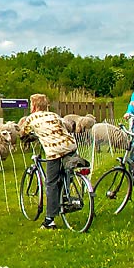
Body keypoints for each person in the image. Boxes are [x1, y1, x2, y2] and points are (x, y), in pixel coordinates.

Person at [20, 93, 78, 230]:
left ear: (34, 106)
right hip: (70, 145)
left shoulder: (31, 118)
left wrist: (24, 137)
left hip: (54, 150)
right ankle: (66, 196)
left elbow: (23, 133)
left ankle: (49, 220)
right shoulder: (54, 115)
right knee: (66, 174)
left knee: (51, 182)